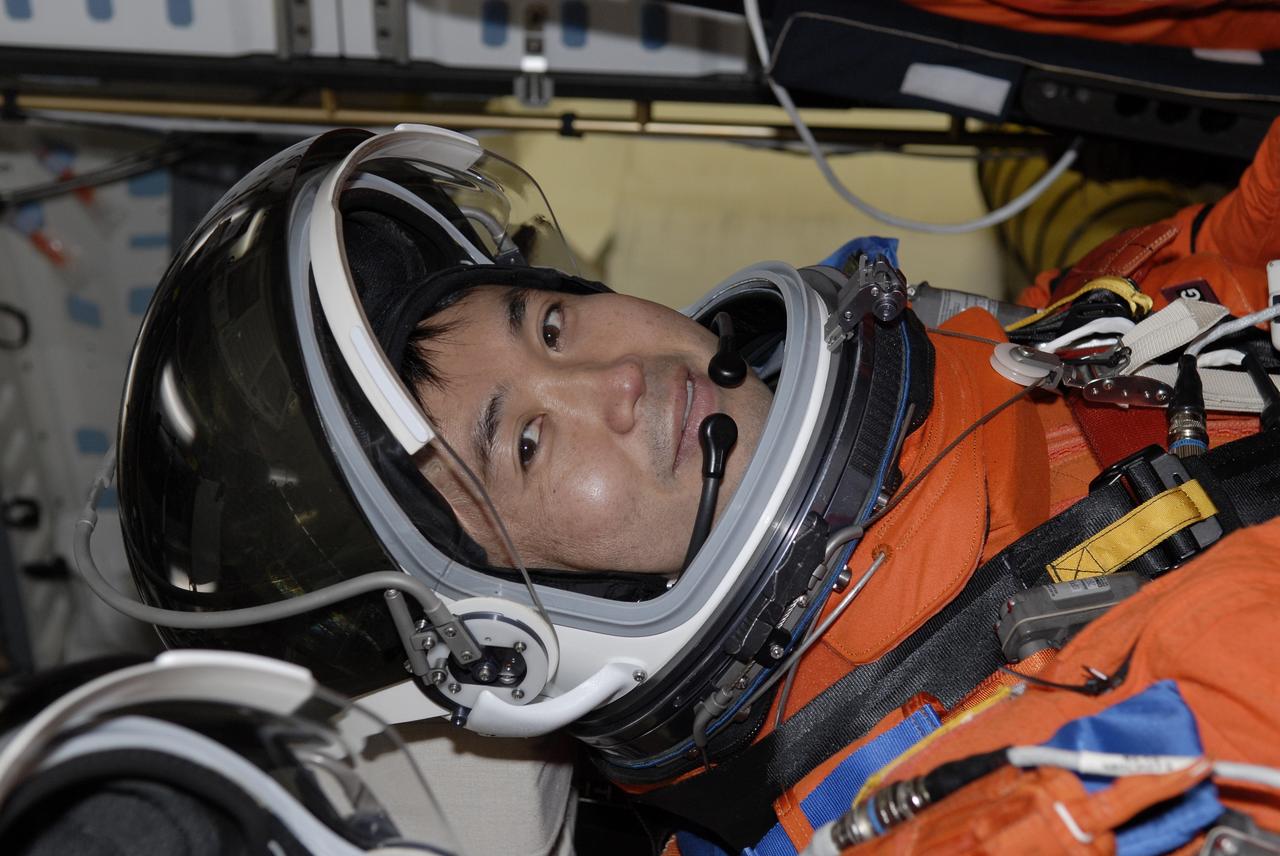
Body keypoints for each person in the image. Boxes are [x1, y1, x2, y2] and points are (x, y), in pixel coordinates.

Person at [98, 118, 1280, 854]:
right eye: (522, 445)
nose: (613, 376)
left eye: (549, 321)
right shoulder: (940, 810)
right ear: (516, 637)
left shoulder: (1035, 349)